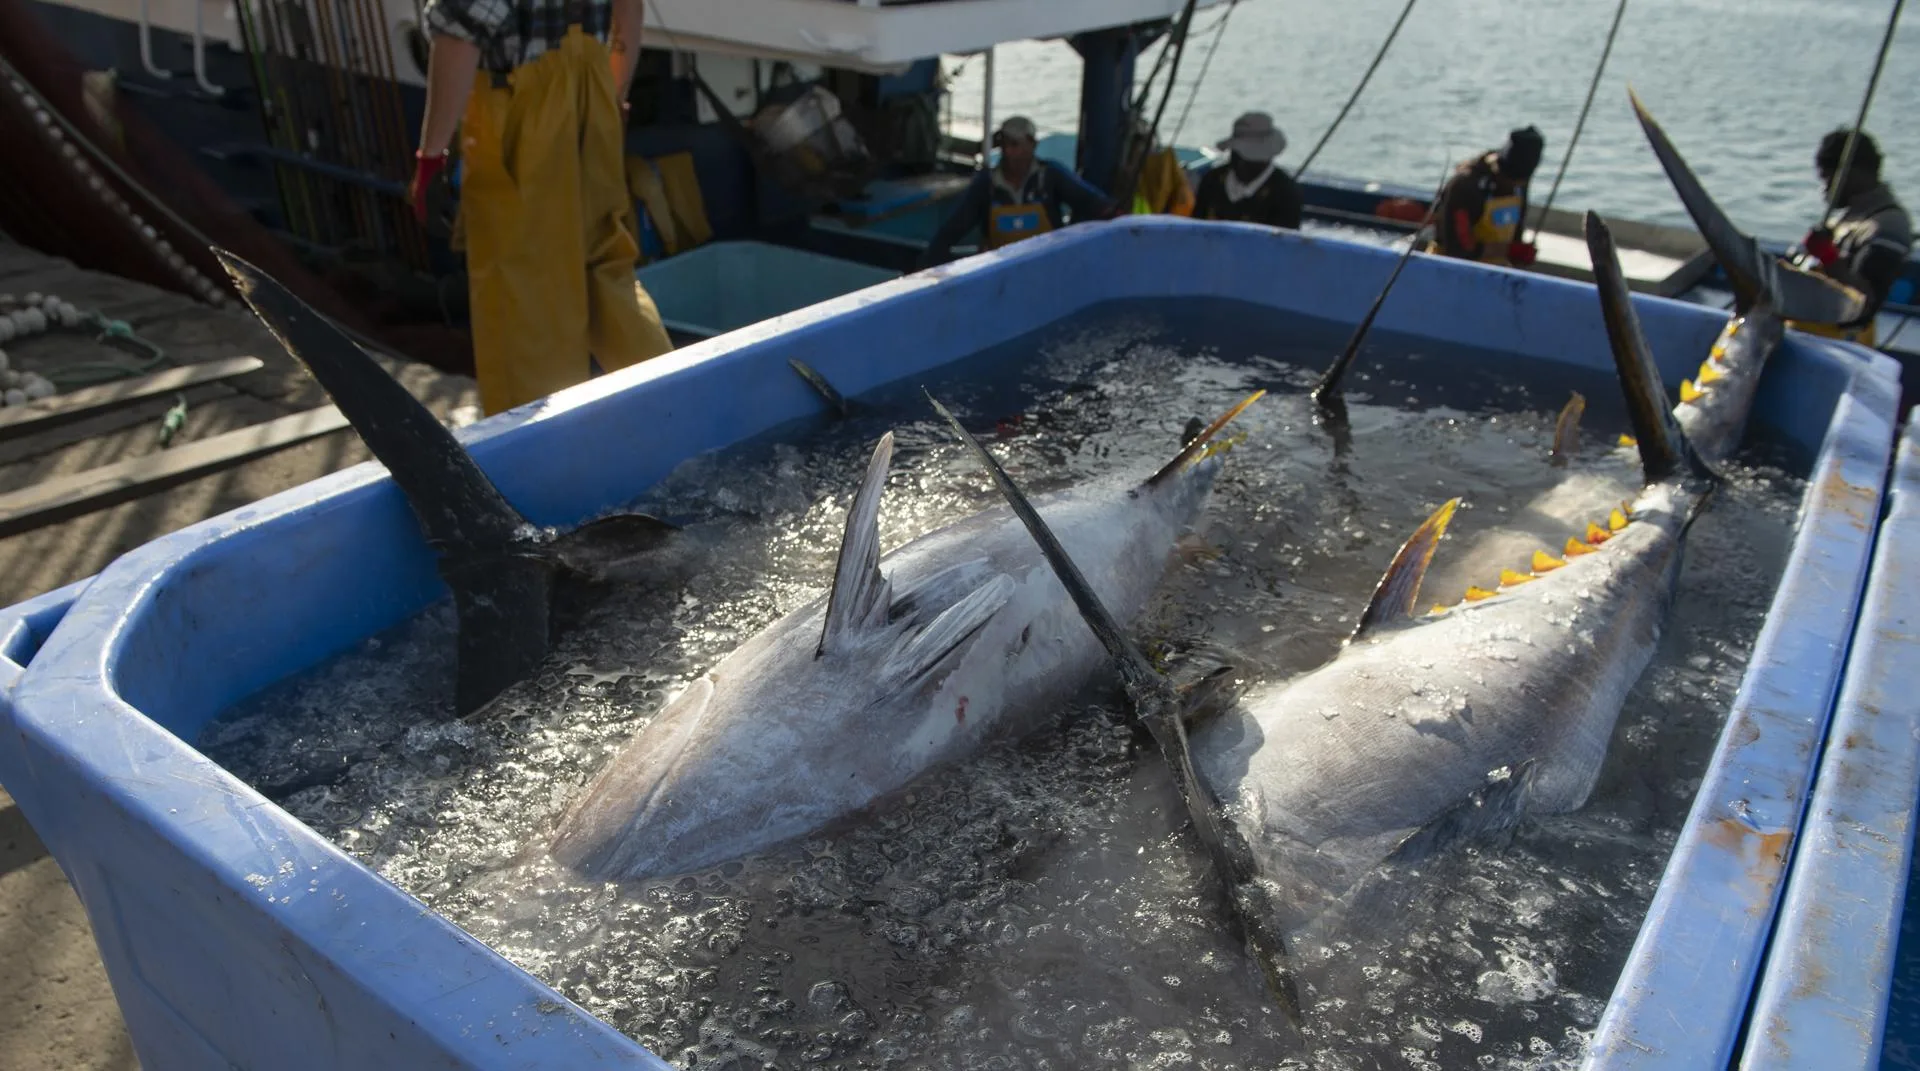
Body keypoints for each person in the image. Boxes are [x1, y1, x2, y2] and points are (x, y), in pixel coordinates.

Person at [410, 0, 674, 415]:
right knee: (608, 269)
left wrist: (431, 158)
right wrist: (611, 99)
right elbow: (630, 9)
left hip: (522, 112)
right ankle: (675, 406)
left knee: (525, 300)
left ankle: (542, 438)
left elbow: (460, 34)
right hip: (596, 93)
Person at [923, 116, 1116, 266]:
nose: (1008, 152)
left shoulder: (1050, 176)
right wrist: (931, 266)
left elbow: (1092, 202)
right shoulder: (987, 184)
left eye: (1015, 145)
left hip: (1048, 268)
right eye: (1004, 145)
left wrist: (1117, 218)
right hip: (1001, 274)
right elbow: (953, 229)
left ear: (1032, 145)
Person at [1788, 128, 1913, 347]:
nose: (1825, 189)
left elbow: (1864, 303)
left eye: (1827, 178)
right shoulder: (1850, 218)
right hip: (1805, 337)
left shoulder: (1887, 225)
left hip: (1837, 349)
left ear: (1850, 173)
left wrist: (1828, 257)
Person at [1428, 126, 1544, 267]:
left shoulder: (1520, 185)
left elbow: (1516, 234)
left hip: (1498, 270)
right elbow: (1458, 249)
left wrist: (1521, 254)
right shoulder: (1465, 186)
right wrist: (1508, 250)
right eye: (1509, 179)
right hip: (1449, 269)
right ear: (1498, 167)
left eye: (1520, 182)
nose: (1513, 187)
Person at [1191, 112, 1302, 229]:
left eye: (1248, 158)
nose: (1241, 163)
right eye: (1236, 154)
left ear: (1266, 157)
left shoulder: (1286, 193)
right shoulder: (1212, 179)